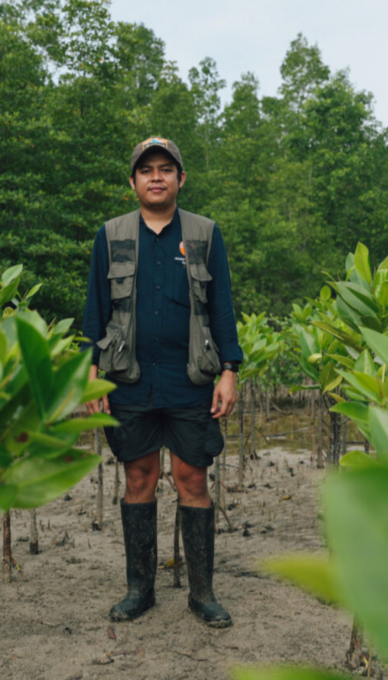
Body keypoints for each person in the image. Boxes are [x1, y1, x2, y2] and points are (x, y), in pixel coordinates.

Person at [83, 136, 243, 628]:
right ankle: (140, 590)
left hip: (190, 377)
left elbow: (221, 306)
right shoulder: (110, 235)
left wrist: (230, 370)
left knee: (193, 478)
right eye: (147, 170)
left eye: (166, 169)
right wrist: (90, 372)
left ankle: (202, 594)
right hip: (129, 378)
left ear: (180, 179)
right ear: (133, 181)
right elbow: (95, 307)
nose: (156, 177)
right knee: (139, 477)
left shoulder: (204, 234)